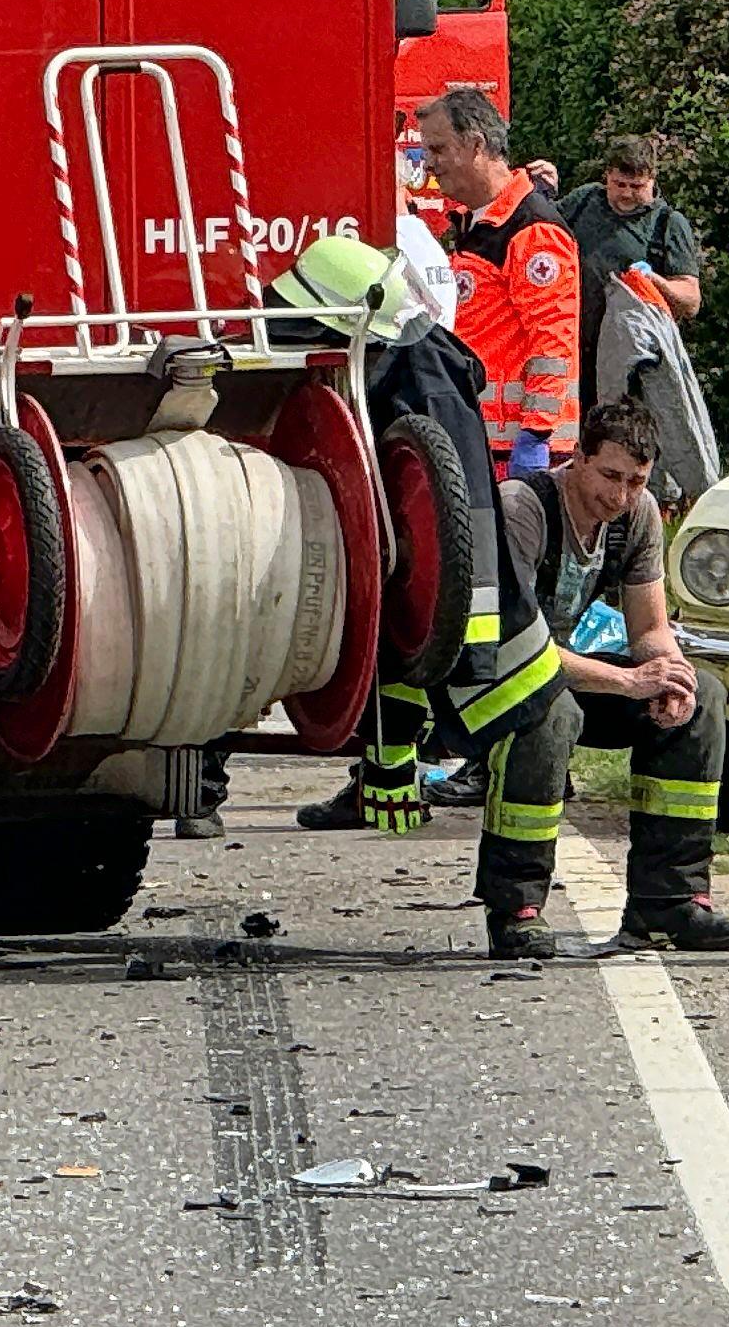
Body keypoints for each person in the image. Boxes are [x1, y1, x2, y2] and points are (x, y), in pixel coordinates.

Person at [271, 234, 573, 955]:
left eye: (308, 333)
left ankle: (518, 907)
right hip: (392, 593)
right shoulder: (372, 372)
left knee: (543, 717)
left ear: (350, 332)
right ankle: (383, 779)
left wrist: (458, 658)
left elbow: (451, 537)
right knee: (522, 710)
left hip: (467, 603)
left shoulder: (425, 382)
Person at [503, 394, 729, 951]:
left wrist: (671, 676)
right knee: (550, 710)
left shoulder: (636, 516)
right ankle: (517, 905)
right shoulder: (524, 507)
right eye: (610, 476)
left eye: (636, 481)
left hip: (560, 668)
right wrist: (631, 683)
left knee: (703, 696)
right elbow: (518, 645)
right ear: (577, 458)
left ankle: (669, 903)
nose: (621, 495)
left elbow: (650, 629)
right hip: (493, 677)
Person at [415, 84, 579, 476]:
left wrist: (536, 436)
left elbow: (553, 344)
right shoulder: (480, 223)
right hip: (488, 443)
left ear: (475, 145)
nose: (428, 165)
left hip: (519, 451)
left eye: (438, 150)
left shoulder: (530, 229)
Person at [557, 135, 703, 362]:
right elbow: (540, 229)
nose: (626, 194)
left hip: (632, 359)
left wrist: (654, 281)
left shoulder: (667, 224)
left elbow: (691, 301)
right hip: (572, 350)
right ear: (607, 176)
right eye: (618, 184)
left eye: (636, 186)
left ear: (652, 180)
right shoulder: (584, 200)